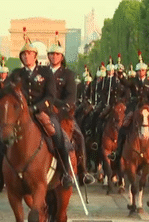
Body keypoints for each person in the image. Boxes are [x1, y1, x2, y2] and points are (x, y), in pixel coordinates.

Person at [0, 28, 75, 188]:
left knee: (59, 136)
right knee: (2, 138)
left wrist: (37, 108)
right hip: (20, 116)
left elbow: (50, 96)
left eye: (29, 54)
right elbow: (2, 89)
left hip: (42, 112)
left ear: (35, 56)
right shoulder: (17, 73)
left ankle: (66, 172)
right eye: (23, 54)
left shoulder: (45, 72)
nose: (26, 56)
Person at [47, 31, 95, 184]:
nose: (54, 57)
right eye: (51, 54)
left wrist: (59, 107)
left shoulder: (68, 74)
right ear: (48, 56)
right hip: (44, 112)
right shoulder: (42, 73)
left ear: (61, 57)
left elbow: (71, 97)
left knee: (79, 137)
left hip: (62, 114)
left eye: (57, 54)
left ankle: (83, 171)